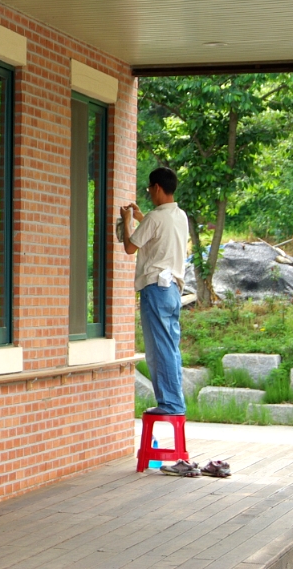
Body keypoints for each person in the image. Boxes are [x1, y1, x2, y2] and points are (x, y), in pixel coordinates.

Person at [120, 167, 189, 416]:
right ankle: (175, 401)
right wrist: (141, 218)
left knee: (158, 349)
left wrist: (128, 222)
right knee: (170, 346)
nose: (149, 193)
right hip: (172, 290)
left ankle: (169, 404)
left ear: (157, 187)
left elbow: (130, 247)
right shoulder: (179, 216)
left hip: (155, 289)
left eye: (149, 189)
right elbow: (159, 232)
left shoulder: (155, 218)